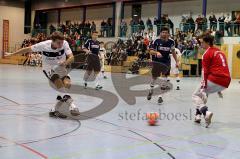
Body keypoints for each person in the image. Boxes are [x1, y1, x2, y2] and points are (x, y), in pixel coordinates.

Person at [5, 31, 80, 117]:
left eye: (62, 42)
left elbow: (72, 57)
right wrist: (12, 54)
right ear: (53, 41)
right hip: (49, 68)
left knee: (67, 85)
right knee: (59, 83)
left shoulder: (64, 43)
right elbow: (27, 49)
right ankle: (72, 105)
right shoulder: (44, 45)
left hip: (61, 67)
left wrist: (65, 63)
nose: (61, 44)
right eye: (58, 43)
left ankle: (54, 110)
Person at [192, 34, 231, 128]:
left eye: (201, 42)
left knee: (196, 95)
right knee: (204, 94)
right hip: (226, 81)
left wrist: (204, 84)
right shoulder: (219, 51)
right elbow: (221, 68)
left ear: (208, 42)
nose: (200, 44)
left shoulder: (207, 54)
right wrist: (219, 89)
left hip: (215, 79)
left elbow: (205, 72)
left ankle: (206, 113)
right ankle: (198, 116)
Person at [147, 27, 179, 104]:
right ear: (160, 33)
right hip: (157, 62)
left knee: (164, 78)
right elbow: (150, 51)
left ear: (168, 34)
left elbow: (173, 52)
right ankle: (151, 90)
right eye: (163, 32)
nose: (164, 34)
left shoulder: (171, 42)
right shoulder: (156, 41)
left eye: (166, 32)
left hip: (166, 62)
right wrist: (156, 53)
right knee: (154, 78)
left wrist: (177, 61)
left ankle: (160, 97)